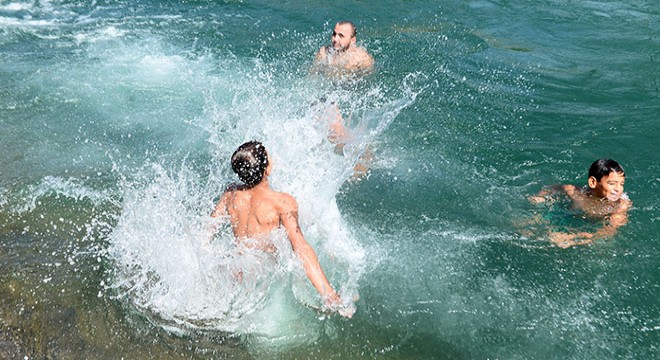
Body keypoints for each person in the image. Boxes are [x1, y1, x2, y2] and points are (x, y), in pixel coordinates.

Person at [211, 141, 354, 317]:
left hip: (238, 271)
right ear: (267, 170)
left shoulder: (230, 194)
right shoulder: (282, 202)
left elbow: (208, 231)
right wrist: (329, 294)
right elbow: (301, 248)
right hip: (262, 278)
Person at [528, 158, 632, 248]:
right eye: (612, 183)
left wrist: (572, 238)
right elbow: (553, 188)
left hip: (591, 228)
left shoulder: (620, 205)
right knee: (528, 226)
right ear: (593, 182)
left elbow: (608, 232)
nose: (618, 189)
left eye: (622, 184)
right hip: (565, 216)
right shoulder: (576, 193)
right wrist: (539, 197)